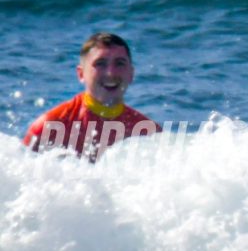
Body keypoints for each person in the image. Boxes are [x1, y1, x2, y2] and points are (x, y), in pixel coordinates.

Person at [23, 32, 162, 158]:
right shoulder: (49, 127)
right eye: (100, 64)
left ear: (131, 74)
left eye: (119, 63)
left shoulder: (149, 134)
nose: (110, 73)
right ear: (81, 74)